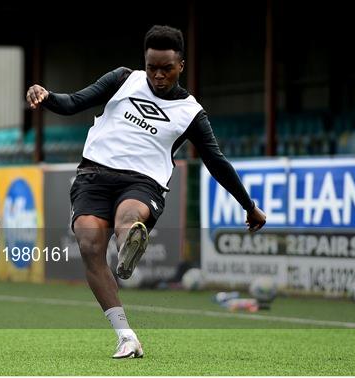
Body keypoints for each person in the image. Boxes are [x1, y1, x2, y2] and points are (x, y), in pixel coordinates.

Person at [26, 25, 266, 359]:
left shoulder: (191, 113)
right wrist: (46, 96)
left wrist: (249, 205)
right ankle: (126, 336)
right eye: (152, 66)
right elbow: (74, 102)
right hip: (94, 173)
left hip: (142, 181)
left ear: (181, 64)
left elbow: (216, 162)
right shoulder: (123, 79)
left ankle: (128, 246)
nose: (157, 75)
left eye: (166, 68)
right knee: (88, 241)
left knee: (128, 217)